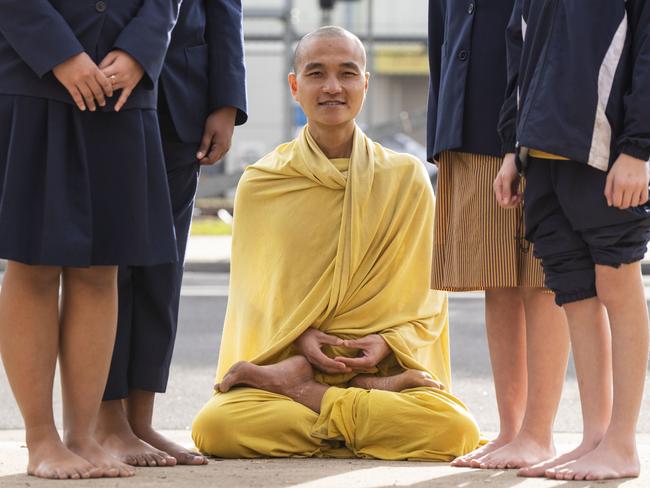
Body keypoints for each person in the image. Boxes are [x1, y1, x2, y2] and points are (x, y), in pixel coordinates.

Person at [190, 26, 481, 460]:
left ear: (365, 83)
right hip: (293, 358)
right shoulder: (264, 183)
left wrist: (386, 344)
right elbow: (256, 301)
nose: (332, 87)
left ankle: (318, 400)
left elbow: (426, 299)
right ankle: (355, 408)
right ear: (295, 86)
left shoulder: (406, 178)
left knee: (454, 430)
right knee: (215, 427)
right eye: (316, 74)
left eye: (347, 74)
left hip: (381, 365)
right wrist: (302, 337)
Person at [0, 0, 180, 480]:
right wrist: (59, 52)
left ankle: (82, 435)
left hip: (123, 87)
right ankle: (41, 440)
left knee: (103, 267)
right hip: (34, 74)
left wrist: (140, 49)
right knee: (34, 263)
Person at [495, 0, 650, 480]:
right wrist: (511, 149)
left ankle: (623, 443)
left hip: (605, 150)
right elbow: (518, 55)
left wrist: (639, 149)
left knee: (616, 283)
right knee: (575, 294)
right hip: (539, 151)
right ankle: (595, 437)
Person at [95, 0, 248, 467]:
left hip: (181, 95)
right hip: (104, 82)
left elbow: (225, 8)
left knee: (163, 271)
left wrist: (226, 101)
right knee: (106, 270)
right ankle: (104, 422)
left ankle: (140, 421)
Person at [427, 0, 569, 471]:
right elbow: (440, 37)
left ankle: (539, 433)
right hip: (465, 125)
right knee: (497, 280)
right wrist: (441, 128)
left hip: (530, 129)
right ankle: (511, 430)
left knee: (540, 281)